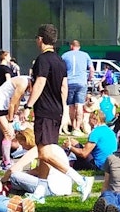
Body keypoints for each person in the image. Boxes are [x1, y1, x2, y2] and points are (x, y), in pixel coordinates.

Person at [22, 25, 90, 197]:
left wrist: (28, 106)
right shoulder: (60, 60)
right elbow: (64, 86)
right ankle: (40, 191)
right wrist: (64, 109)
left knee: (44, 152)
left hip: (44, 111)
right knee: (45, 152)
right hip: (56, 111)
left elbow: (40, 83)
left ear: (40, 39)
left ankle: (80, 180)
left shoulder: (42, 60)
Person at [62, 40, 92, 133]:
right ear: (79, 47)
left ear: (71, 46)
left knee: (71, 106)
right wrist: (89, 79)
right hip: (82, 82)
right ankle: (77, 128)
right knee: (79, 105)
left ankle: (73, 125)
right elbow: (91, 69)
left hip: (69, 82)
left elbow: (61, 69)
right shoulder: (85, 55)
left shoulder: (65, 55)